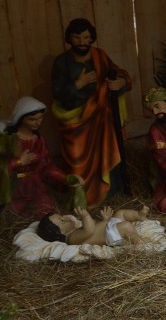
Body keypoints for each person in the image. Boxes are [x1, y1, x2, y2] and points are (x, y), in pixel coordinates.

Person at [51, 18, 132, 206]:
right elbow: (57, 93)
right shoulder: (62, 62)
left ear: (91, 38)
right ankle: (83, 199)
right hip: (76, 121)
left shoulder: (100, 56)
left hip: (102, 119)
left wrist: (121, 82)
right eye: (77, 37)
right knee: (77, 158)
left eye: (86, 37)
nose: (81, 42)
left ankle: (110, 193)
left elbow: (120, 73)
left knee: (107, 152)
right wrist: (79, 83)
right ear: (70, 38)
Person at [0, 97, 84, 219]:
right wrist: (18, 162)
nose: (38, 123)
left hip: (37, 188)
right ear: (20, 118)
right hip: (15, 189)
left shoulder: (39, 141)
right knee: (13, 218)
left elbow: (47, 168)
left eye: (40, 118)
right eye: (32, 119)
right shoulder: (7, 140)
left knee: (49, 216)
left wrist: (66, 178)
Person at [36, 204, 149, 247]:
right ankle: (140, 244)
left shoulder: (75, 231)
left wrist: (105, 220)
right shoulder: (71, 238)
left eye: (62, 216)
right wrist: (85, 216)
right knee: (126, 226)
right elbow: (89, 231)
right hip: (111, 236)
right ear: (60, 232)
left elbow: (96, 229)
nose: (66, 218)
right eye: (62, 220)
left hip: (109, 227)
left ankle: (139, 215)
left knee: (120, 213)